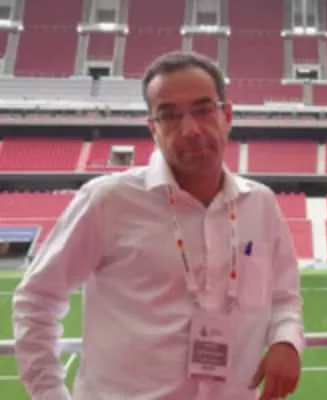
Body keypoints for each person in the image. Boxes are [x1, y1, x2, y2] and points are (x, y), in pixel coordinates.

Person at [12, 51, 304, 400]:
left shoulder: (260, 204)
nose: (191, 129)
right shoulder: (108, 200)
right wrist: (49, 393)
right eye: (170, 116)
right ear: (154, 129)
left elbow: (284, 297)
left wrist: (286, 340)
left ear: (226, 115)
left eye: (203, 110)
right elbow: (36, 299)